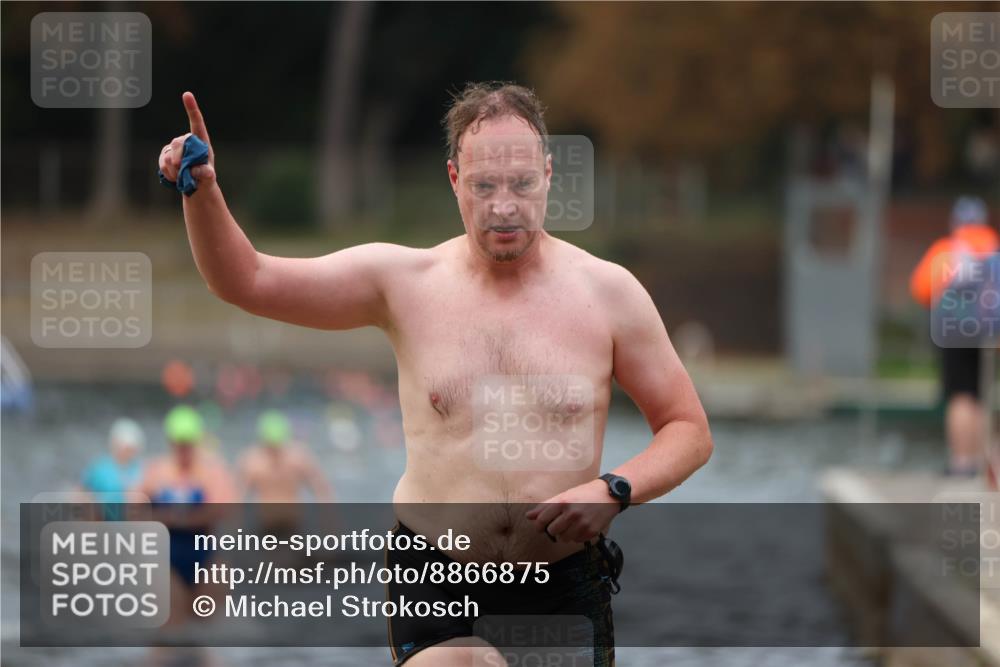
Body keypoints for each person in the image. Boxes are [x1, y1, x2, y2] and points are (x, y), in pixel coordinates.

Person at [158, 82, 713, 666]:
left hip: (560, 579)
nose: (504, 205)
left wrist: (613, 490)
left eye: (522, 184)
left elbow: (688, 429)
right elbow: (248, 280)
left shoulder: (609, 294)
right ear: (455, 180)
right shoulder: (404, 283)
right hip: (434, 575)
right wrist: (203, 192)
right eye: (484, 186)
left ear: (549, 176)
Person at [910, 196, 997, 476]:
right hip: (990, 335)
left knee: (961, 397)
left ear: (955, 221)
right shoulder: (995, 250)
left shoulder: (947, 251)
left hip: (955, 332)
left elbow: (921, 290)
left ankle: (963, 463)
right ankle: (984, 461)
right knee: (982, 395)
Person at [135, 405, 237, 623]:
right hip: (167, 560)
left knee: (209, 634)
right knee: (170, 628)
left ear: (197, 441)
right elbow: (133, 508)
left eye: (188, 443)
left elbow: (223, 509)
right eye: (179, 443)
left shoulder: (212, 471)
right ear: (170, 442)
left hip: (205, 557)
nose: (184, 449)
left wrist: (177, 518)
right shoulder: (157, 470)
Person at [238, 409, 333, 536]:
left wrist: (329, 524)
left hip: (293, 523)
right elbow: (238, 499)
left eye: (278, 444)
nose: (275, 450)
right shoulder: (252, 461)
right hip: (265, 525)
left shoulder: (299, 457)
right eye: (271, 445)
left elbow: (322, 491)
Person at [80, 418, 145, 518]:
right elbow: (81, 492)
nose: (126, 451)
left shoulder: (141, 469)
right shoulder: (100, 468)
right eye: (124, 447)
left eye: (130, 448)